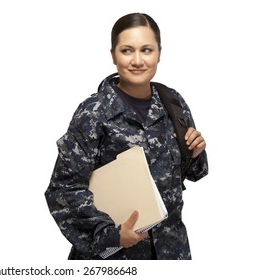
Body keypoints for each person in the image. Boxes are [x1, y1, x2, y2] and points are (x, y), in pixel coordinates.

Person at [44, 12, 208, 260]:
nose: (138, 60)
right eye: (127, 50)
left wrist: (195, 154)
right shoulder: (93, 113)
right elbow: (63, 190)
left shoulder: (173, 103)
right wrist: (111, 234)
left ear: (159, 53)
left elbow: (192, 174)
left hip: (171, 252)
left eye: (147, 50)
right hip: (114, 259)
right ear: (113, 55)